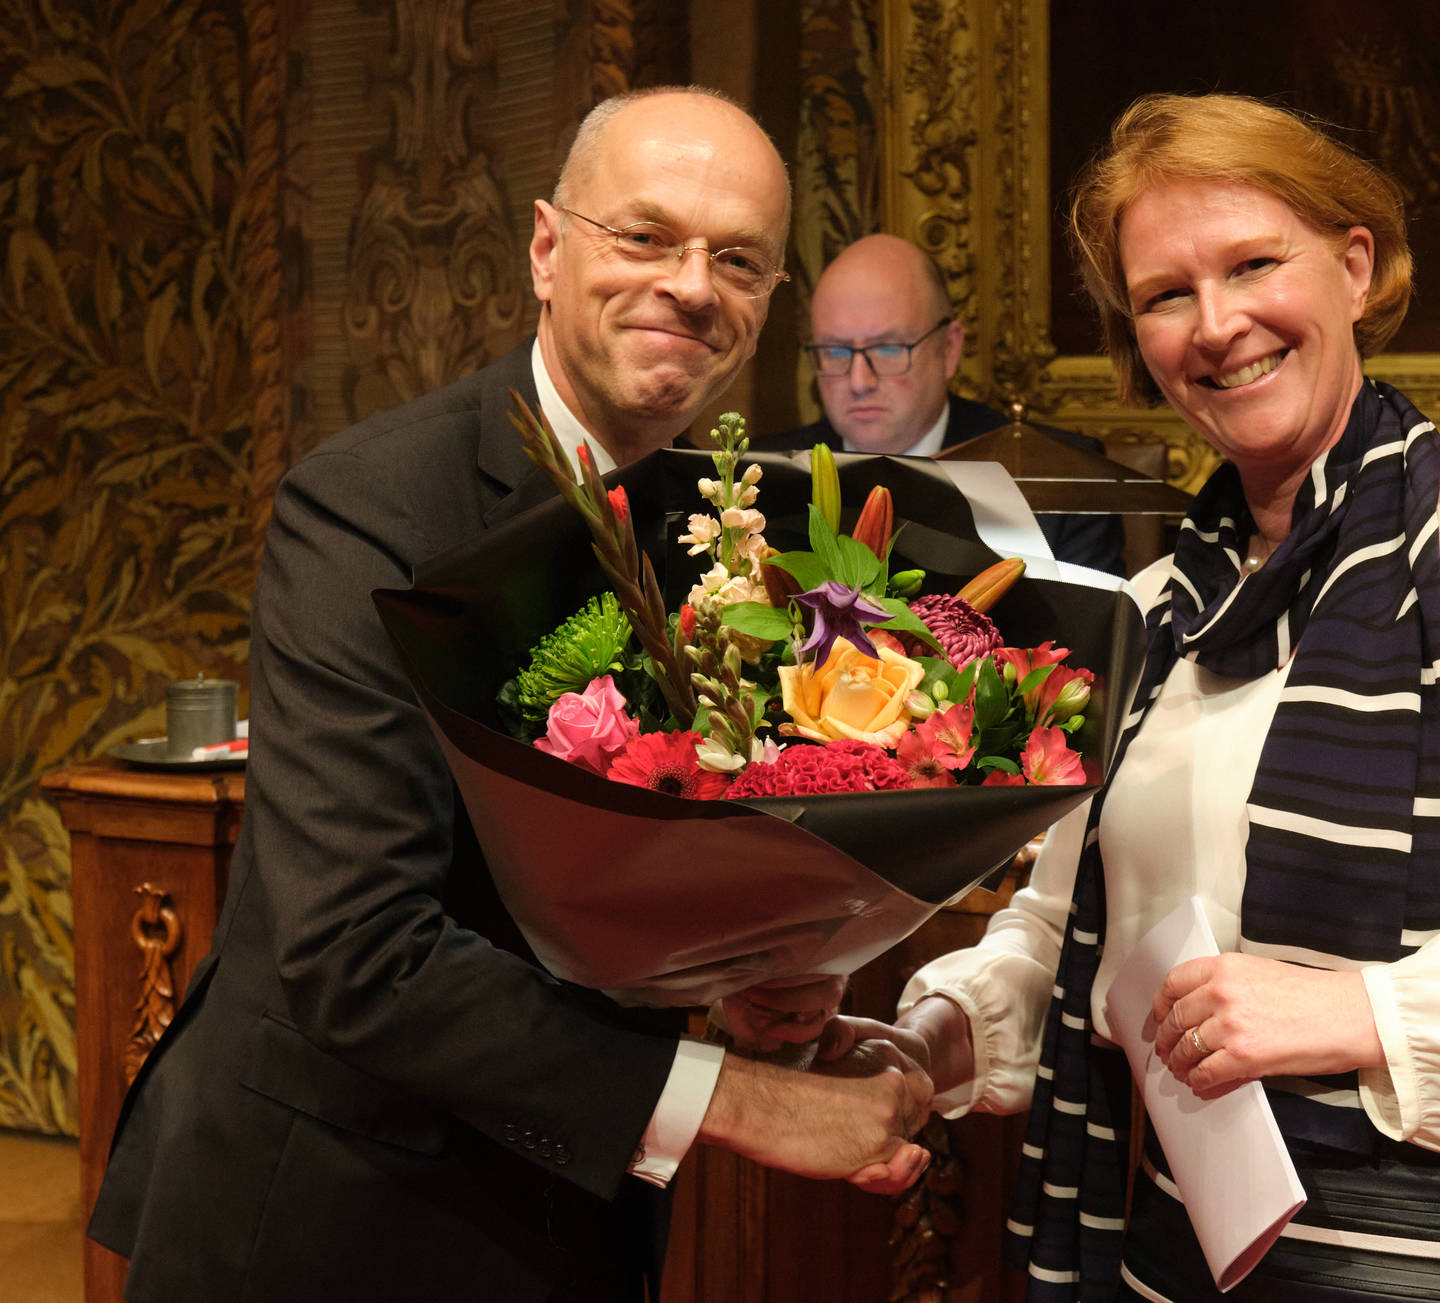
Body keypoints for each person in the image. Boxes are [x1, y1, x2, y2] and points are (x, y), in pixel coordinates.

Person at [850, 92, 1440, 1301]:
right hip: (1182, 1259)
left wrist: (1366, 1014)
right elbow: (1074, 928)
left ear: (1355, 265)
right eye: (1163, 295)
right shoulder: (1151, 612)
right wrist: (937, 1034)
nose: (1216, 325)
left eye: (1254, 263)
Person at [87, 87, 932, 1303]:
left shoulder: (737, 530)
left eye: (737, 258)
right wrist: (744, 1103)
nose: (693, 285)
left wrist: (745, 977)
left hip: (573, 1215)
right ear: (546, 250)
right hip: (329, 1217)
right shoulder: (369, 506)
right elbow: (355, 949)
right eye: (644, 237)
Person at [757, 233, 1128, 576]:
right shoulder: (759, 477)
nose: (859, 382)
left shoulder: (1060, 478)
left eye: (888, 349)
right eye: (835, 351)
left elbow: (1095, 643)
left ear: (949, 349)